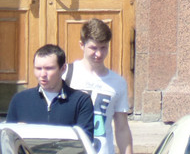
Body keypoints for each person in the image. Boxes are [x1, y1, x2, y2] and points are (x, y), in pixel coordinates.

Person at [63, 20, 133, 154]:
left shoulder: (118, 83)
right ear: (82, 45)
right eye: (93, 48)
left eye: (103, 48)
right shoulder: (66, 75)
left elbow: (122, 127)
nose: (99, 54)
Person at [5, 44, 94, 141]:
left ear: (63, 69)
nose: (42, 74)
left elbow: (85, 141)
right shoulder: (20, 100)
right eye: (38, 68)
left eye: (49, 68)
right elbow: (8, 140)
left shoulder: (81, 101)